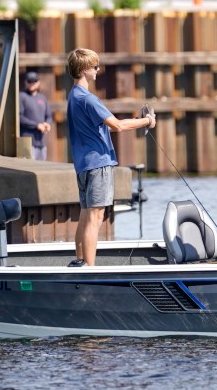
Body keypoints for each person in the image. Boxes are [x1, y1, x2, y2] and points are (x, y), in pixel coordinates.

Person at [66, 48, 155, 267]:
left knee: (85, 216)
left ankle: (80, 262)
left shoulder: (73, 96)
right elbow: (118, 125)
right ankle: (90, 269)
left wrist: (137, 120)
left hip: (83, 165)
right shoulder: (89, 99)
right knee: (95, 219)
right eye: (95, 67)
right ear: (84, 70)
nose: (98, 70)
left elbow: (106, 126)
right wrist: (147, 121)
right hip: (98, 164)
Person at [19, 71, 53, 161]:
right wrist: (37, 125)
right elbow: (19, 118)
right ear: (25, 82)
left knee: (42, 167)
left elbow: (49, 116)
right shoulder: (21, 97)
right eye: (29, 81)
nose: (32, 84)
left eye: (34, 81)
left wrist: (47, 124)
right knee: (29, 167)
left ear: (38, 82)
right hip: (28, 143)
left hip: (41, 142)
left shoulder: (42, 98)